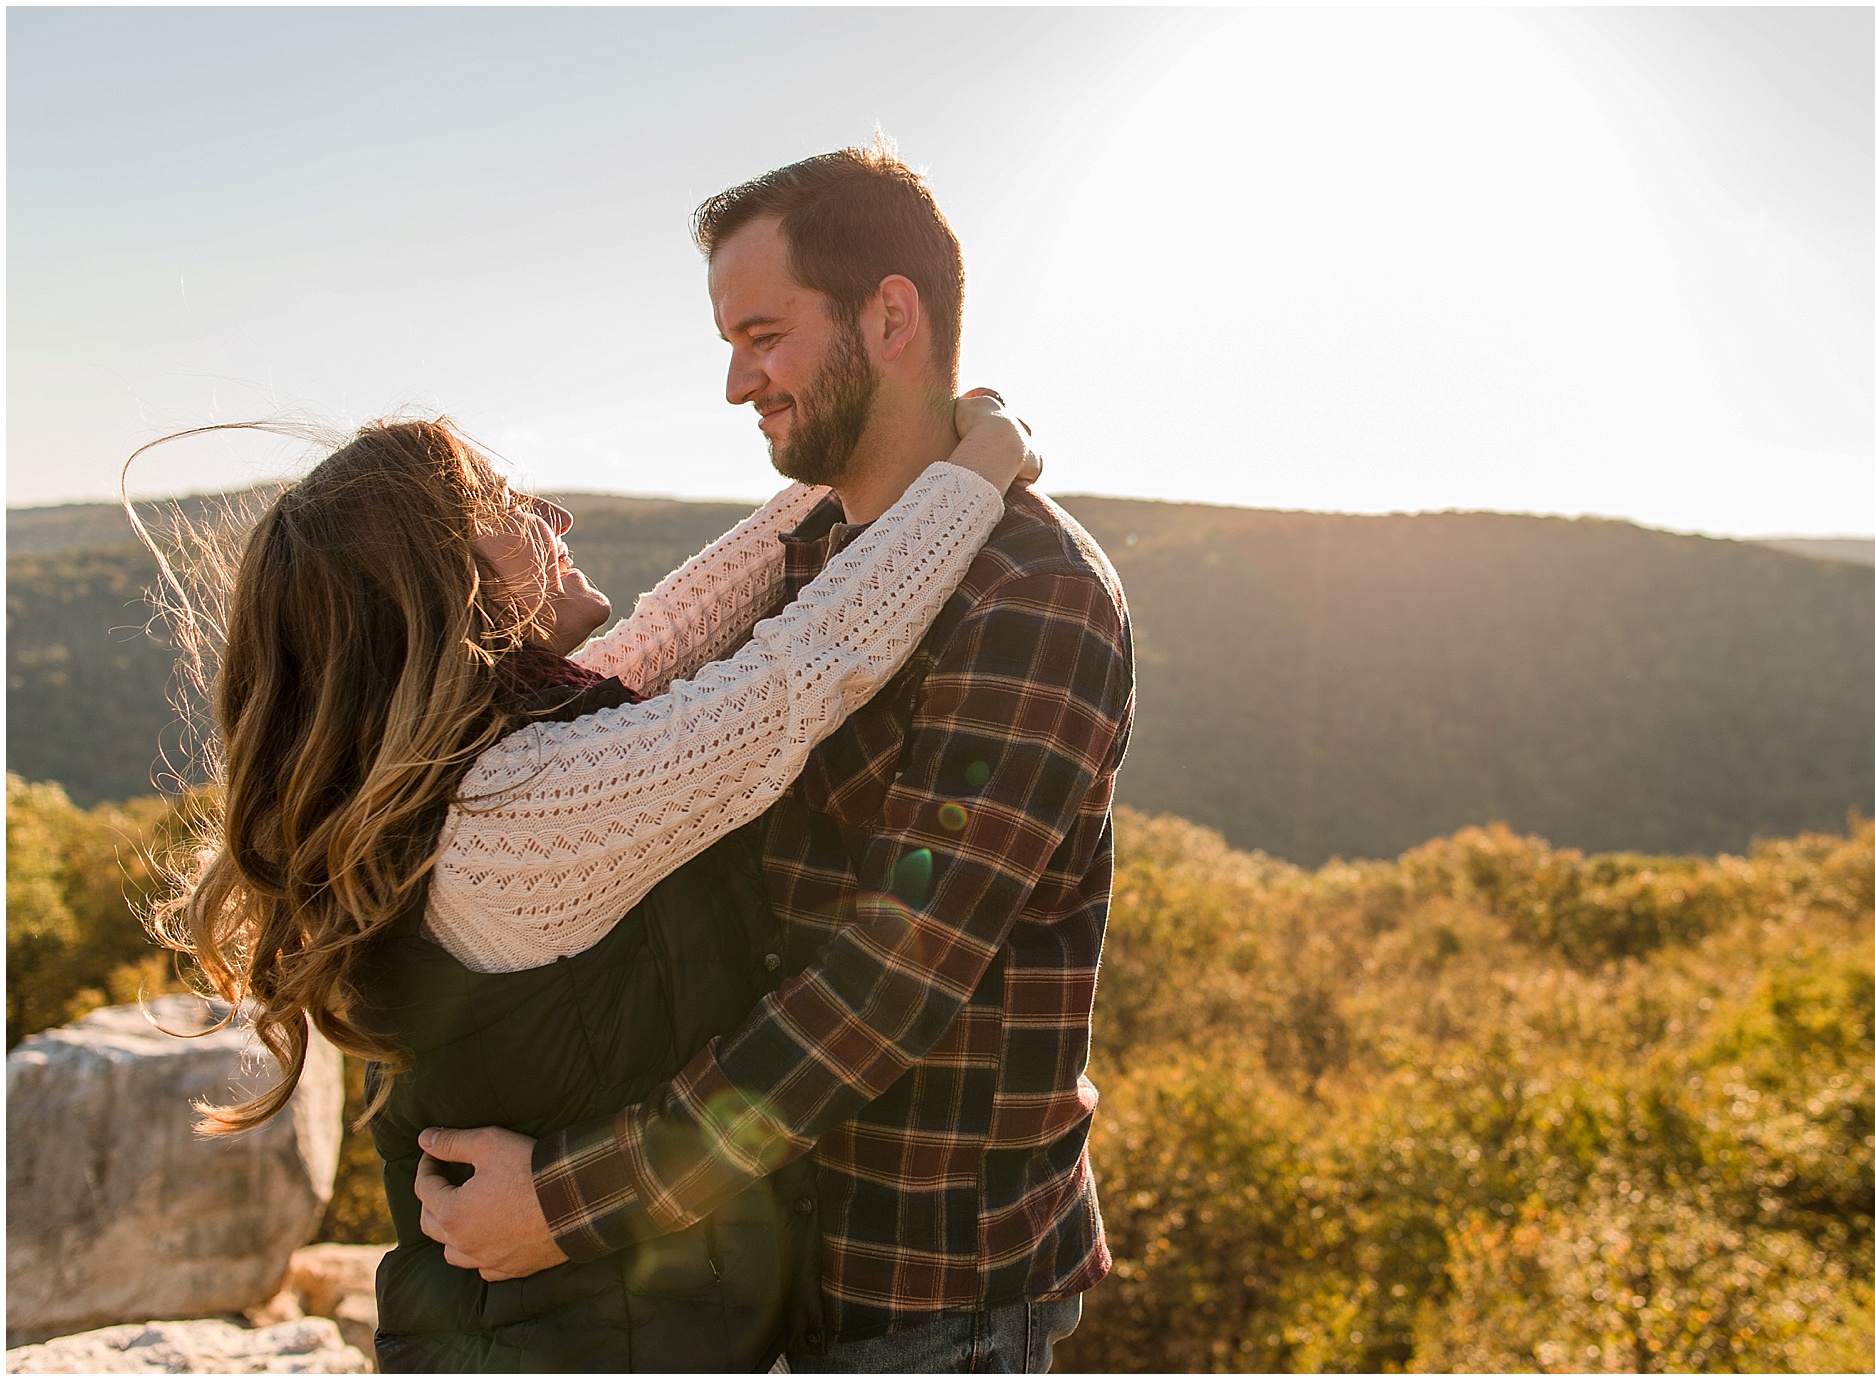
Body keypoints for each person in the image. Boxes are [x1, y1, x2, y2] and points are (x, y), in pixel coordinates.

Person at [415, 139, 1135, 1373]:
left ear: (889, 315)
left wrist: (568, 1200)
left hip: (934, 1290)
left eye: (763, 334)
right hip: (763, 1256)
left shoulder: (1031, 594)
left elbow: (889, 982)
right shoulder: (802, 566)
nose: (738, 385)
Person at [142, 392, 1039, 1370]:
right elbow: (806, 668)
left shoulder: (465, 770)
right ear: (452, 583)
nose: (557, 519)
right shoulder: (518, 811)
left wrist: (872, 452)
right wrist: (982, 461)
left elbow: (673, 631)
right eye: (512, 505)